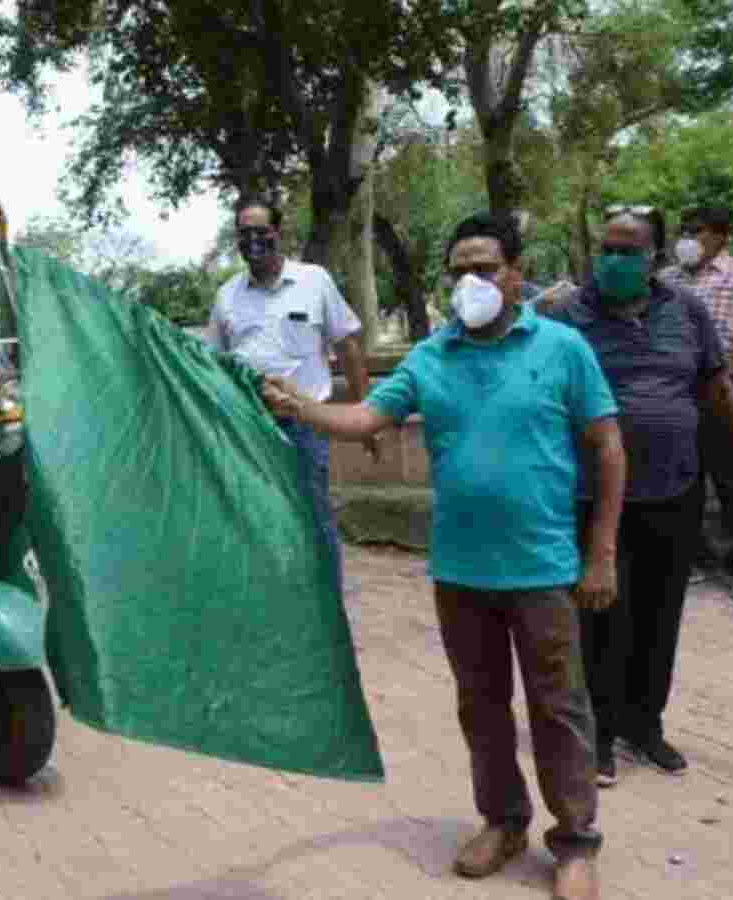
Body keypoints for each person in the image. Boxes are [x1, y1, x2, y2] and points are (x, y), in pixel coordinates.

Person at [261, 212, 623, 900]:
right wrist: (299, 408)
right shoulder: (431, 358)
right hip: (459, 569)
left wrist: (601, 550)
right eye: (457, 270)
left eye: (484, 268)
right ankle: (504, 821)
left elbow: (608, 447)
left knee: (558, 707)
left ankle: (575, 840)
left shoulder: (563, 348)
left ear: (515, 274)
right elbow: (365, 419)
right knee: (481, 706)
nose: (470, 281)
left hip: (544, 566)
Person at [542, 207, 733, 782]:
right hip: (595, 497)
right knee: (598, 617)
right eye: (608, 248)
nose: (614, 260)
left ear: (654, 258)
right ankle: (596, 732)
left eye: (628, 251)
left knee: (658, 613)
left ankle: (645, 725)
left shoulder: (686, 312)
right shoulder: (572, 316)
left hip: (675, 488)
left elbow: (719, 389)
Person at [207, 194, 375, 592]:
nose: (252, 240)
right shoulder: (227, 296)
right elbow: (213, 366)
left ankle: (326, 606)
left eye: (260, 231)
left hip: (305, 425)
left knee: (313, 516)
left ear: (277, 233)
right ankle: (278, 606)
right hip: (249, 427)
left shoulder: (313, 281)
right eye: (243, 233)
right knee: (257, 518)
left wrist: (367, 413)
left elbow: (348, 347)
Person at [663, 204, 733, 601]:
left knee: (728, 473)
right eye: (685, 230)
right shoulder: (668, 279)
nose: (689, 239)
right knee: (682, 474)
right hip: (675, 390)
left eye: (698, 231)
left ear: (723, 235)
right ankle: (694, 557)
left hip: (724, 388)